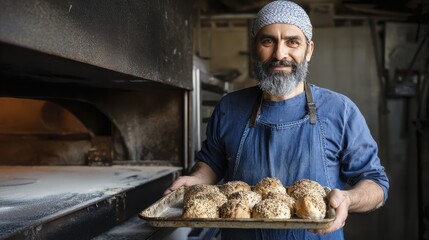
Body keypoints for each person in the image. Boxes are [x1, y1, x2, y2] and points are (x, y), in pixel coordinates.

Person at [164, 1, 389, 239]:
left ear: (309, 50)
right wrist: (196, 179)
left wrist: (349, 199)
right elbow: (211, 164)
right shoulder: (229, 107)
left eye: (292, 42)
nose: (280, 54)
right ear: (255, 48)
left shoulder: (340, 110)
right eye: (268, 41)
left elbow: (376, 184)